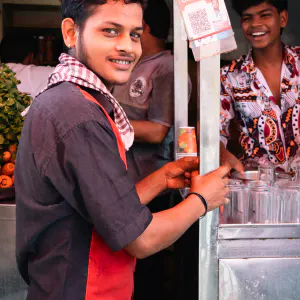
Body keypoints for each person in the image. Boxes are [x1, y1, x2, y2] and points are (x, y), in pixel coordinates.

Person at [15, 1, 230, 299]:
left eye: (135, 34)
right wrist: (203, 200)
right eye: (110, 31)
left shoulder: (77, 99)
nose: (127, 46)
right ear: (70, 32)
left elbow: (106, 209)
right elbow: (141, 239)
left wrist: (160, 179)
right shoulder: (76, 114)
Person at [112, 1, 190, 298]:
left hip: (153, 184)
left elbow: (158, 130)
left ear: (143, 27)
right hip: (125, 185)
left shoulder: (166, 67)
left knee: (147, 271)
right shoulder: (133, 63)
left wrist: (106, 123)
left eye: (131, 29)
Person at [219, 0, 299, 173]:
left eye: (265, 15)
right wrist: (222, 154)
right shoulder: (229, 76)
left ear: (283, 18)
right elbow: (212, 132)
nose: (255, 24)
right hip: (258, 189)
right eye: (248, 18)